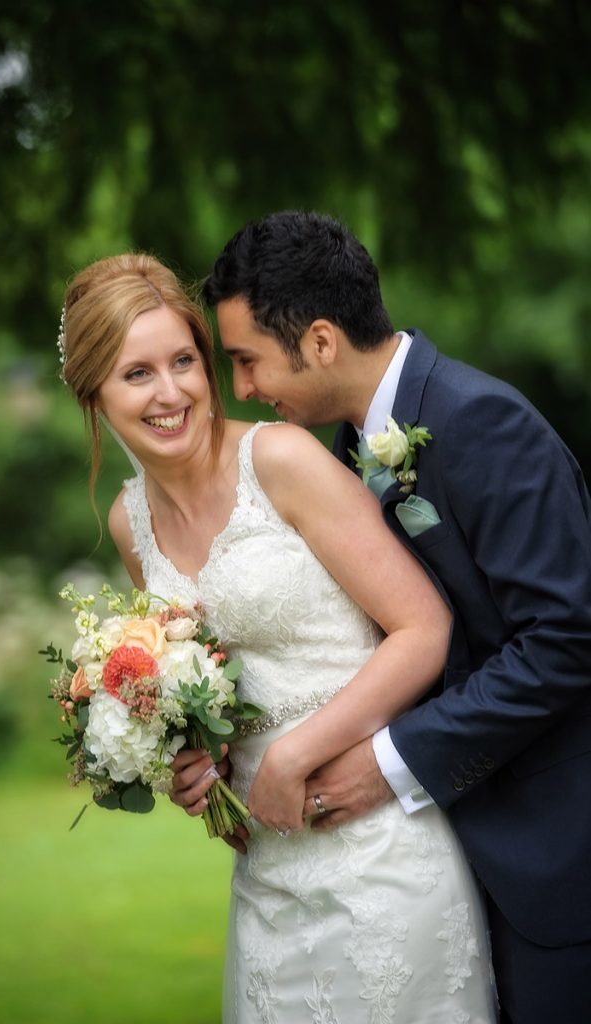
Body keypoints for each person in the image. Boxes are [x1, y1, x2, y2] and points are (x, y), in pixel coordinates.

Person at [172, 211, 591, 1024]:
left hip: (552, 861)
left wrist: (393, 758)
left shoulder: (485, 423)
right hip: (433, 871)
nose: (244, 390)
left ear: (321, 340)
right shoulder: (339, 457)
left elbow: (565, 640)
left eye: (248, 361)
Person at [59, 251, 498, 1023]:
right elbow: (211, 686)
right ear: (93, 392)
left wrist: (295, 754)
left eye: (185, 362)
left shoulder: (281, 459)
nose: (171, 394)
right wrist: (192, 766)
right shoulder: (131, 524)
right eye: (137, 374)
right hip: (265, 874)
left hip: (381, 853)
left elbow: (422, 627)